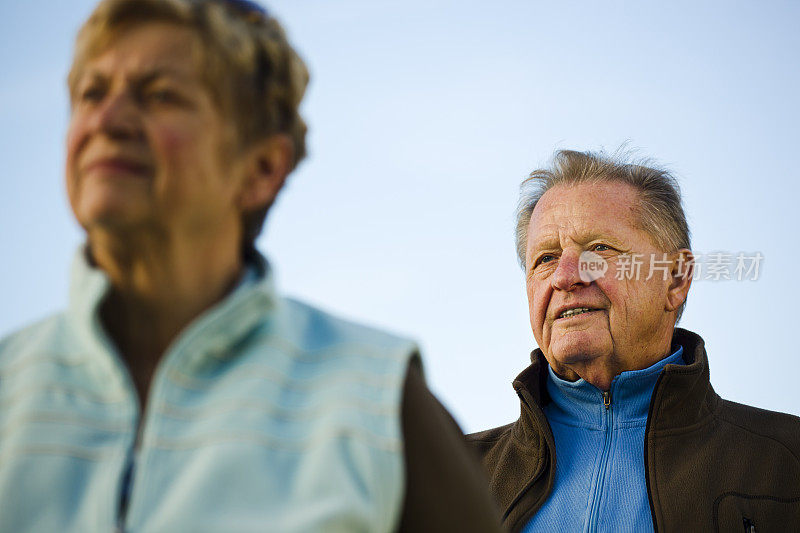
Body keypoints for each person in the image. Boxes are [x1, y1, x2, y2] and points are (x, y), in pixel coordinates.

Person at [0, 1, 503, 531]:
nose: (107, 120)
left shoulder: (377, 402)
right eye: (91, 93)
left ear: (262, 168)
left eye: (160, 95)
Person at [468, 149, 800, 532]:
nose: (565, 276)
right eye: (545, 258)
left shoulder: (787, 460)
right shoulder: (446, 470)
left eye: (600, 250)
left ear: (675, 279)